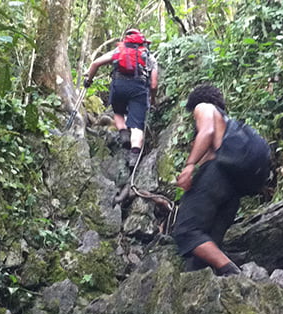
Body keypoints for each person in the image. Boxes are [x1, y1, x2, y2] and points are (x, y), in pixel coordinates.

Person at [172, 84, 269, 277]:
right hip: (235, 187)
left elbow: (206, 132)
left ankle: (232, 272)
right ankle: (208, 279)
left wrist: (190, 166)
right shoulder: (227, 126)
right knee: (209, 239)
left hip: (217, 177)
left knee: (186, 230)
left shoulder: (204, 107)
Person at [85, 29, 158, 167]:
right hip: (139, 89)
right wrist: (152, 99)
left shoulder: (118, 51)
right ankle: (134, 156)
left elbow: (95, 64)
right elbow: (154, 84)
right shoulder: (148, 56)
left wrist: (88, 81)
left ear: (126, 38)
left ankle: (124, 134)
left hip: (119, 86)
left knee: (118, 112)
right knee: (137, 126)